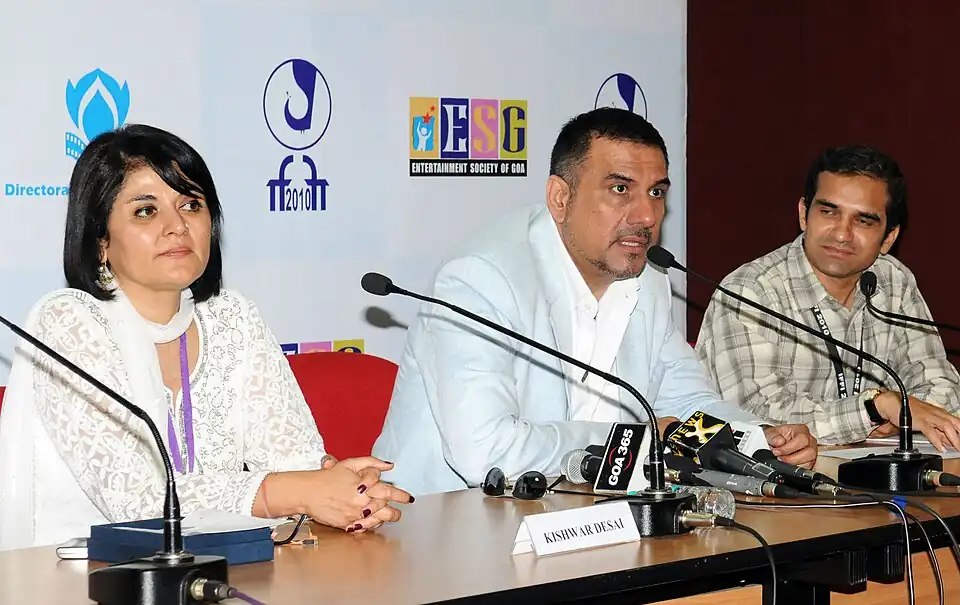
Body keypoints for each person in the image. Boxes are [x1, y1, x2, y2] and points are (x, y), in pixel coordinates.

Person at [0, 124, 412, 551]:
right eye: (146, 211)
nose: (176, 225)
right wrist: (296, 491)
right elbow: (140, 502)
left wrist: (348, 494)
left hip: (226, 568)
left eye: (191, 204)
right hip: (87, 578)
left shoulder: (231, 317)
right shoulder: (67, 321)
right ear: (100, 240)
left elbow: (296, 461)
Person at [372, 107, 818, 496]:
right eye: (620, 190)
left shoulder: (647, 278)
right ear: (560, 198)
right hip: (447, 533)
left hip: (582, 519)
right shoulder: (481, 280)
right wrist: (633, 442)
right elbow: (485, 453)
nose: (645, 216)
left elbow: (686, 406)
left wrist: (757, 438)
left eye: (657, 193)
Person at [696, 145, 960, 450]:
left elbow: (943, 387)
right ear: (803, 215)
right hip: (763, 485)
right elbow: (759, 413)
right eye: (829, 212)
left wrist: (895, 415)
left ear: (889, 237)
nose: (842, 234)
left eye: (863, 221)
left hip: (868, 473)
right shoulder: (750, 291)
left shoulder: (893, 281)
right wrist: (874, 409)